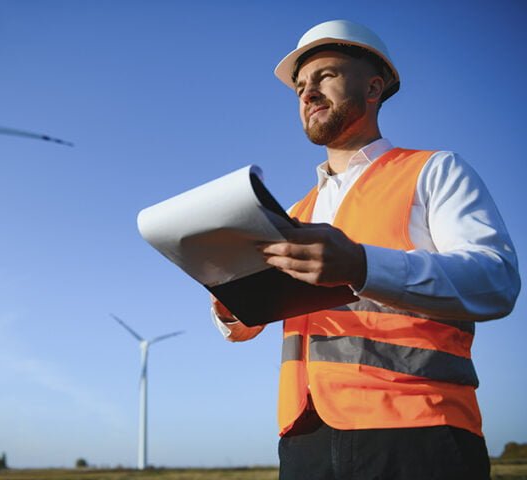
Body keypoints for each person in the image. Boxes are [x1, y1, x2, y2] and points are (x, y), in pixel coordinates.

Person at [211, 20, 520, 480]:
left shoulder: (433, 171)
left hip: (417, 427)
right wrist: (229, 298)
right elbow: (249, 324)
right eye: (300, 87)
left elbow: (496, 281)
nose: (307, 93)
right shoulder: (296, 211)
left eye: (325, 77)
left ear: (374, 87)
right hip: (304, 436)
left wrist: (362, 265)